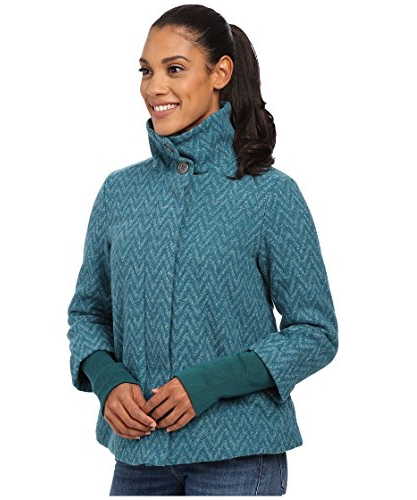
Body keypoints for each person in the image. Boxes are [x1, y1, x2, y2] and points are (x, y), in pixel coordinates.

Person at [66, 3, 339, 496]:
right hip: (138, 455)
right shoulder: (119, 192)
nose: (155, 87)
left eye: (174, 69)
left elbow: (315, 331)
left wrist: (211, 382)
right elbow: (88, 312)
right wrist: (107, 379)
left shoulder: (269, 194)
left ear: (220, 73)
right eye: (146, 71)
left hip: (238, 456)